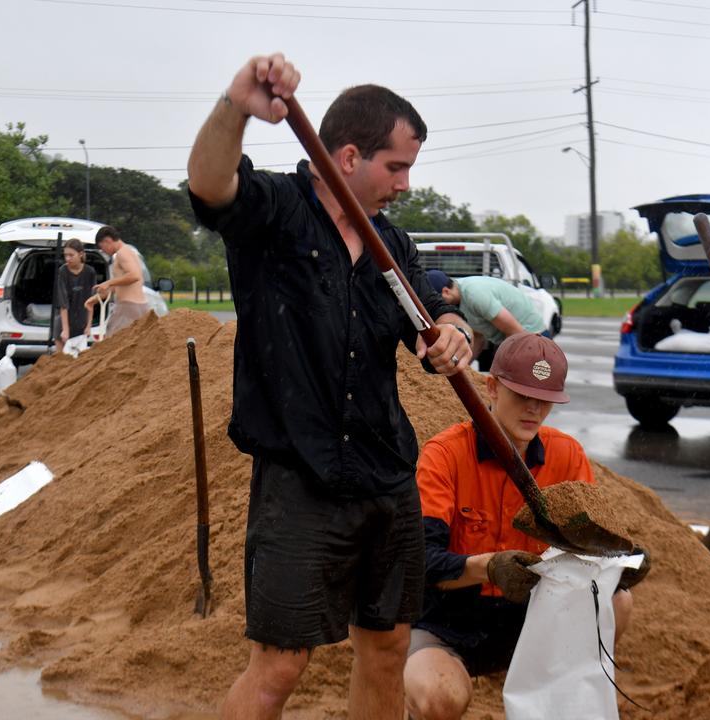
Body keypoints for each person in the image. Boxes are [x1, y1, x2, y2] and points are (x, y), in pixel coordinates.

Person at [186, 53, 473, 719]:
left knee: (388, 644)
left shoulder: (391, 245)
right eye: (396, 166)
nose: (405, 183)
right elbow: (208, 184)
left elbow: (429, 326)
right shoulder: (274, 214)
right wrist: (236, 107)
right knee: (280, 663)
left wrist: (452, 333)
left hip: (386, 476)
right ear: (347, 156)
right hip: (300, 479)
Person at [404, 333, 646, 720]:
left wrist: (624, 560)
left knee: (618, 600)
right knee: (439, 697)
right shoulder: (445, 456)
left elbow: (592, 546)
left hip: (533, 619)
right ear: (492, 387)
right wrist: (487, 566)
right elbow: (419, 564)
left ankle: (562, 696)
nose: (534, 408)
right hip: (446, 618)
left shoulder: (566, 455)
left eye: (545, 399)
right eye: (522, 395)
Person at [427, 270, 546, 356]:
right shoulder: (457, 301)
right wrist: (464, 370)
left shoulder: (474, 295)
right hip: (513, 338)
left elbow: (515, 331)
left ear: (446, 292)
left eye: (438, 302)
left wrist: (502, 366)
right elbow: (478, 337)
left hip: (533, 338)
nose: (438, 307)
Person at [85, 226, 148, 338]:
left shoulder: (122, 253)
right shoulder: (130, 252)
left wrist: (109, 282)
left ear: (107, 240)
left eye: (102, 247)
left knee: (111, 343)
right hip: (138, 307)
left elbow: (135, 275)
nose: (103, 251)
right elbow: (120, 286)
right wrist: (94, 299)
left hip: (128, 307)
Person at [54, 238, 98, 353]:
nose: (67, 258)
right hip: (63, 323)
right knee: (61, 361)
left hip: (81, 324)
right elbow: (63, 303)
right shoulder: (62, 271)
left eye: (71, 255)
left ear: (81, 254)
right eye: (65, 255)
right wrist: (65, 329)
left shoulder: (90, 272)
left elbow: (91, 301)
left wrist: (89, 326)